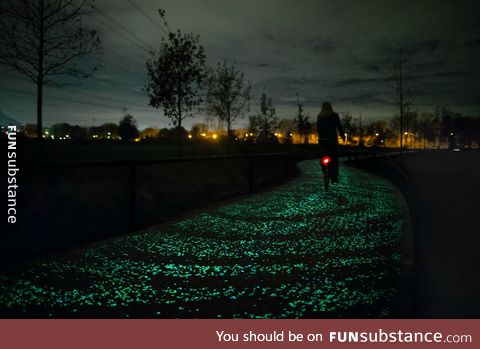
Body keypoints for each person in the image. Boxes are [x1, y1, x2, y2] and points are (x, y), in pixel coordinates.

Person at [317, 102, 345, 182]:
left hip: (323, 140)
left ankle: (323, 166)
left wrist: (320, 137)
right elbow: (339, 126)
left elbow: (318, 129)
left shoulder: (319, 117)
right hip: (332, 139)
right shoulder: (335, 116)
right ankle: (334, 177)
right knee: (334, 157)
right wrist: (342, 136)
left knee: (323, 153)